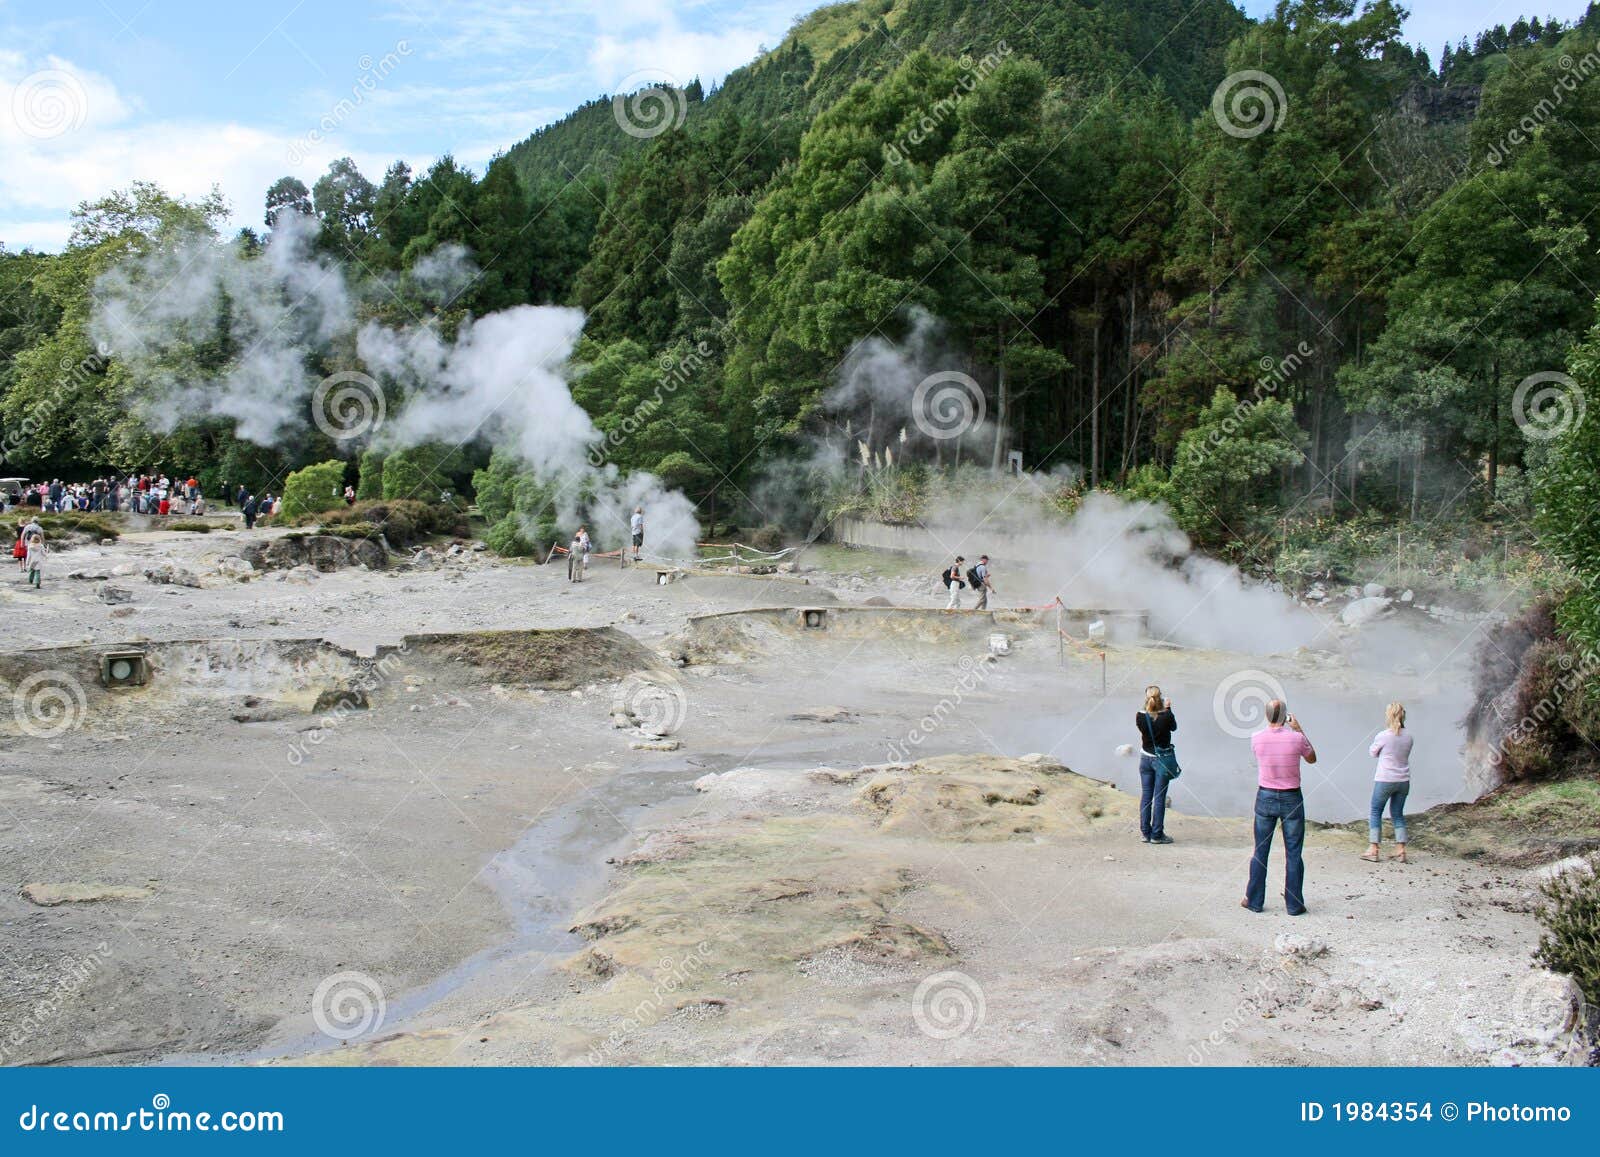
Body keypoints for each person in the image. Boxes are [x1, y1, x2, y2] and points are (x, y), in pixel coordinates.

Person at [1243, 699, 1316, 916]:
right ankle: (1294, 905)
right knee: (1293, 853)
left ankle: (1254, 900)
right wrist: (1299, 730)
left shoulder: (1256, 738)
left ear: (1266, 716)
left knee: (1260, 851)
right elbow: (1312, 758)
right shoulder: (1296, 738)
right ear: (1285, 716)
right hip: (1291, 797)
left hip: (1265, 795)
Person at [1364, 702, 1413, 864]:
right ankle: (1401, 850)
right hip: (1403, 780)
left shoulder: (1383, 735)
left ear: (1389, 715)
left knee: (1375, 811)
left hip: (1385, 779)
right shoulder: (1409, 736)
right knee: (1398, 814)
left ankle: (1373, 849)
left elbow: (1372, 753)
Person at [1136, 685, 1177, 845]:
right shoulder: (1166, 716)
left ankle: (1145, 833)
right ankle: (1157, 834)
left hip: (1145, 758)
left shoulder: (1140, 716)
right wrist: (1169, 709)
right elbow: (1173, 727)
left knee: (1146, 795)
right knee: (1159, 797)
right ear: (1160, 699)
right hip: (1161, 760)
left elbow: (1145, 725)